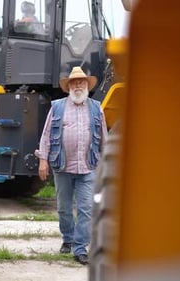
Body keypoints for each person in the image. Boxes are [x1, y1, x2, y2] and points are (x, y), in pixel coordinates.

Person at [36, 66, 108, 265]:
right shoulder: (57, 107)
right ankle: (67, 239)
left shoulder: (96, 107)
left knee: (86, 208)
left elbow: (104, 139)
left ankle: (80, 247)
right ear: (68, 87)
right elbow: (46, 135)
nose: (78, 85)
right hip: (62, 166)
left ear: (87, 85)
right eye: (74, 82)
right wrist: (43, 160)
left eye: (82, 82)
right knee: (64, 209)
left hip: (88, 167)